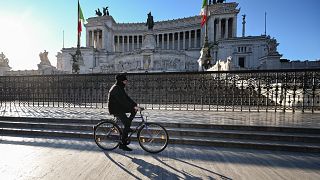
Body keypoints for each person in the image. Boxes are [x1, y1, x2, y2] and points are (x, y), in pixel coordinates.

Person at [107, 74, 139, 151]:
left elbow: (126, 98)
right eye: (125, 81)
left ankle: (127, 128)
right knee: (127, 123)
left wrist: (135, 105)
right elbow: (123, 101)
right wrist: (132, 106)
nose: (126, 82)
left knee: (133, 111)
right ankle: (123, 144)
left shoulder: (119, 87)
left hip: (119, 107)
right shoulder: (115, 89)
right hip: (115, 109)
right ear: (121, 81)